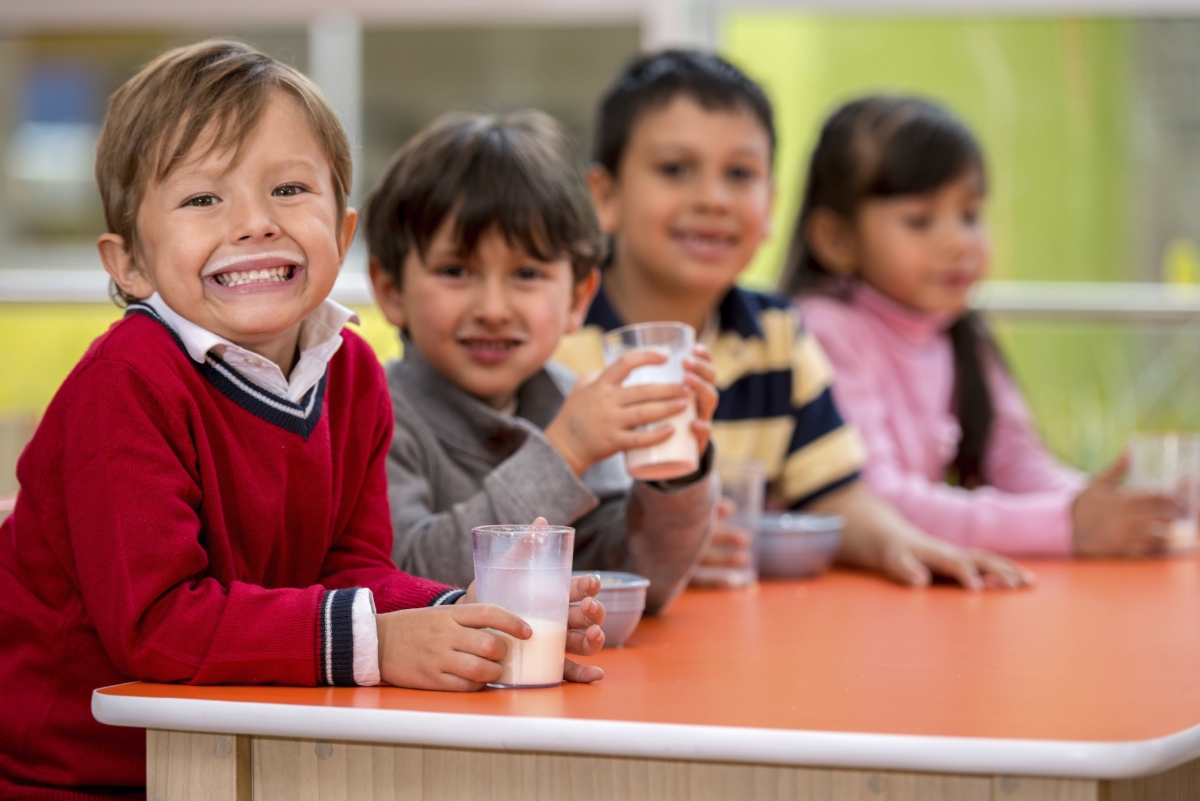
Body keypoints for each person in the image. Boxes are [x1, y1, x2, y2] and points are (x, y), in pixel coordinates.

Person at [0, 41, 603, 798]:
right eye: (201, 199)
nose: (255, 223)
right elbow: (156, 623)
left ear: (343, 233)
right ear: (130, 265)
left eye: (289, 189)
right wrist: (379, 642)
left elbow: (351, 571)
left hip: (244, 745)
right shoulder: (124, 383)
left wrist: (475, 619)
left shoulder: (349, 372)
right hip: (74, 772)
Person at [556, 49, 1033, 589]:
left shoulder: (778, 335)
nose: (712, 198)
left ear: (771, 207)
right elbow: (514, 516)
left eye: (740, 173)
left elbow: (835, 491)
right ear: (606, 196)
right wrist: (656, 546)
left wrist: (900, 542)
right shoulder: (556, 341)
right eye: (675, 170)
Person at [784, 95, 1177, 556]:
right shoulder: (825, 330)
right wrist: (1065, 525)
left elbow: (1015, 461)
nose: (959, 243)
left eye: (970, 215)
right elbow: (875, 504)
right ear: (835, 239)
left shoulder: (956, 328)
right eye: (920, 220)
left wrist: (1109, 508)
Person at [364, 111, 720, 614]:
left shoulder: (567, 400)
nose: (492, 309)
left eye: (526, 273)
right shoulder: (373, 415)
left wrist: (675, 477)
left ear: (578, 297)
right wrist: (564, 451)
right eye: (455, 271)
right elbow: (406, 579)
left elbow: (638, 580)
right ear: (390, 290)